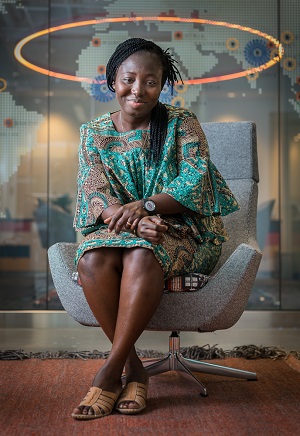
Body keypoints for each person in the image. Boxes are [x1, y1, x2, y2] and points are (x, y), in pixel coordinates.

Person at [71, 38, 239, 420]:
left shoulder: (181, 123)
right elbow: (94, 191)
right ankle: (132, 368)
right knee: (91, 259)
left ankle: (108, 373)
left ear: (162, 85)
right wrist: (132, 218)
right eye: (129, 79)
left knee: (142, 254)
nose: (138, 89)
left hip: (186, 232)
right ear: (113, 79)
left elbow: (195, 182)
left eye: (151, 81)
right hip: (123, 227)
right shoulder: (93, 133)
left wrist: (145, 206)